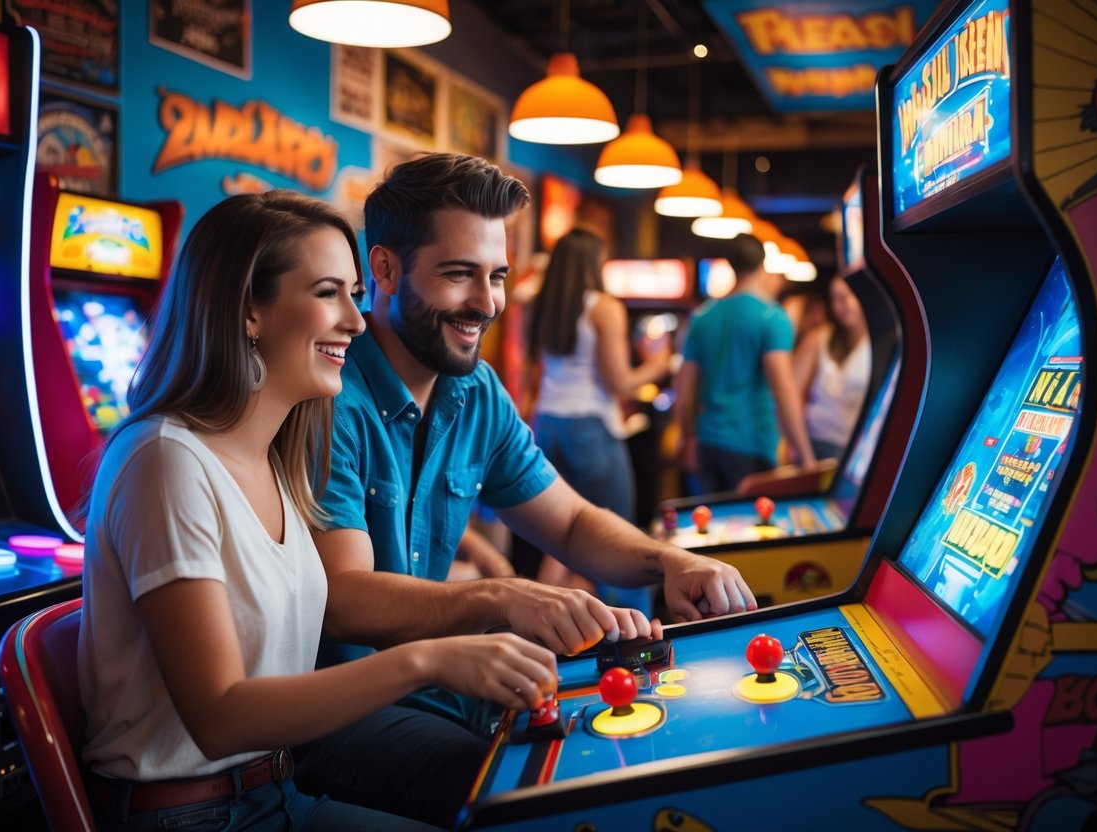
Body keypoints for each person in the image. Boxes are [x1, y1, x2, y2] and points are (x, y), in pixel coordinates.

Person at [293, 153, 757, 826]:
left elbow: (567, 524)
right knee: (553, 800)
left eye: (496, 277)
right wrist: (504, 597)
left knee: (630, 752)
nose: (485, 303)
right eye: (458, 275)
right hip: (341, 711)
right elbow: (344, 602)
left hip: (450, 686)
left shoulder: (473, 390)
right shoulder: (333, 393)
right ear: (385, 270)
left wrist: (670, 561)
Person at [77, 190, 558, 832]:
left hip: (276, 793)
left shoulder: (277, 460)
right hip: (193, 815)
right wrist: (431, 658)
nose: (357, 322)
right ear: (250, 309)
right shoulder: (165, 460)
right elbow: (219, 717)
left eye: (355, 294)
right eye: (329, 293)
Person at [525, 226, 672, 612]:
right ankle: (634, 633)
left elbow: (534, 374)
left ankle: (538, 622)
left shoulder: (542, 305)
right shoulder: (604, 307)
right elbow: (620, 381)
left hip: (547, 425)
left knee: (557, 535)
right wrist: (659, 364)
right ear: (594, 263)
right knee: (620, 536)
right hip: (589, 429)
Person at [675, 233, 816, 493]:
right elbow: (783, 390)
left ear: (730, 265)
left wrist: (688, 439)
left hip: (708, 443)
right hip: (752, 447)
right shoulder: (772, 317)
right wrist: (805, 454)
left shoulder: (702, 317)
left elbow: (685, 392)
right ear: (763, 265)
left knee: (710, 529)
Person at [793, 275, 871, 460]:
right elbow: (793, 392)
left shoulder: (879, 345)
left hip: (853, 449)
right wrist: (799, 448)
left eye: (846, 297)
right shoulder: (819, 337)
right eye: (835, 299)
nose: (841, 305)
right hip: (813, 441)